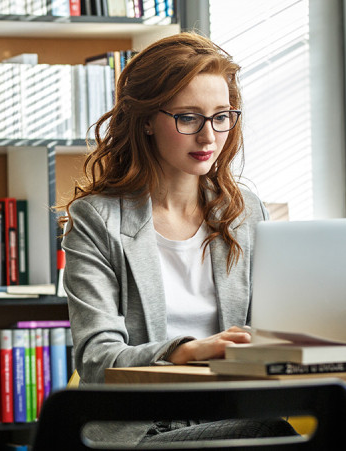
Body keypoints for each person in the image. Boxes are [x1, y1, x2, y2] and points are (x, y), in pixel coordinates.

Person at [60, 31, 297, 446]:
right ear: (147, 119)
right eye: (188, 117)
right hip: (139, 430)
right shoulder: (96, 219)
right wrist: (183, 350)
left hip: (226, 414)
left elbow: (272, 329)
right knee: (270, 434)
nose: (209, 137)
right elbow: (98, 361)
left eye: (221, 116)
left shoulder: (245, 214)